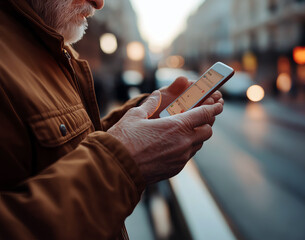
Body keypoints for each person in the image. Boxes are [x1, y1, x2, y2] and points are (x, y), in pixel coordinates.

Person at [0, 0, 224, 239]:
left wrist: (142, 119)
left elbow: (66, 149)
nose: (99, 3)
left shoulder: (50, 44)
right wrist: (124, 161)